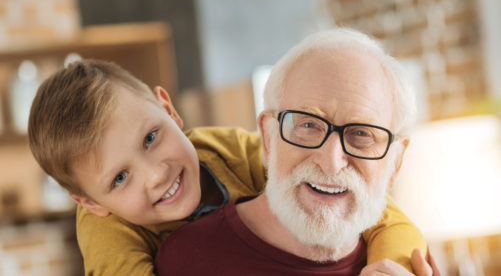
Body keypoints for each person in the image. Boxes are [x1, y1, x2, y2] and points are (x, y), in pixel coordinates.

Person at [28, 59, 426, 276]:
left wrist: (388, 266)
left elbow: (383, 215)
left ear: (168, 109)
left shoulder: (231, 150)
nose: (155, 174)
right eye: (119, 178)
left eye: (151, 138)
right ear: (90, 201)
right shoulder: (104, 229)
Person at [155, 28, 437, 275]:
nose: (331, 162)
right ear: (268, 137)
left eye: (361, 134)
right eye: (308, 125)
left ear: (396, 163)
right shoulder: (188, 260)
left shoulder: (409, 265)